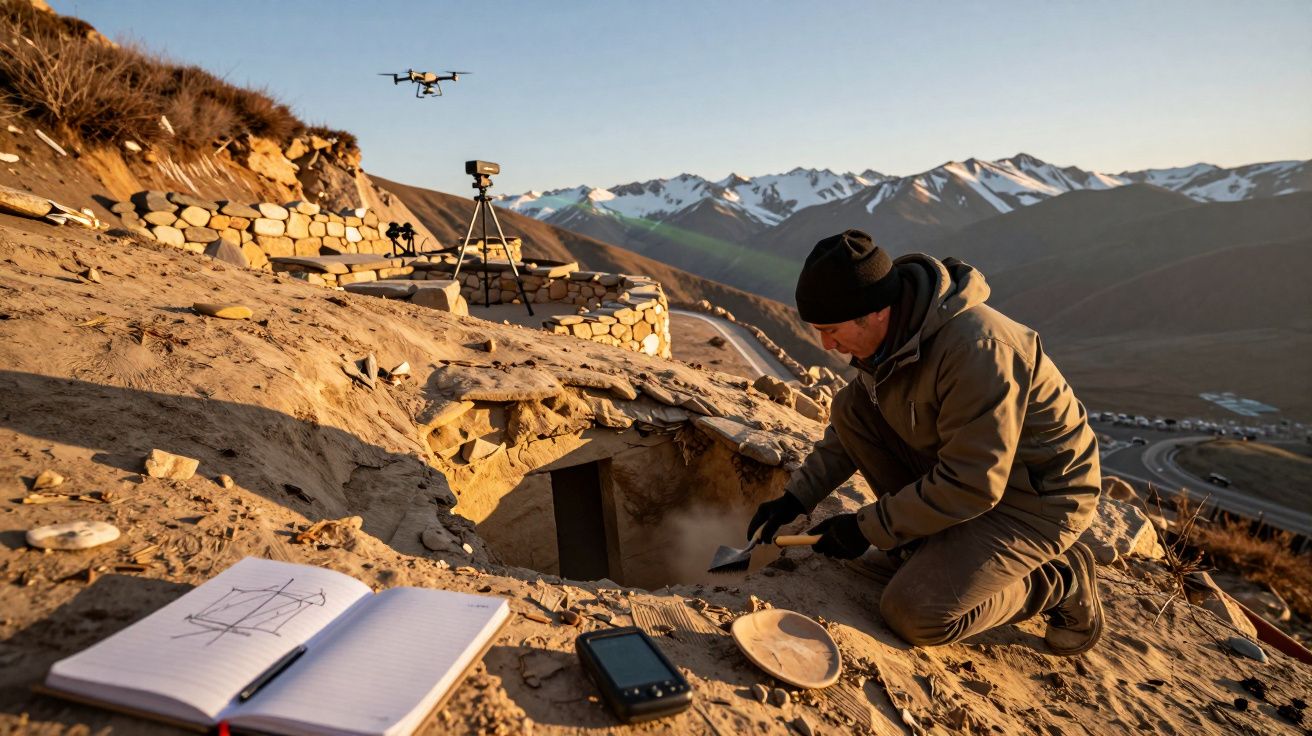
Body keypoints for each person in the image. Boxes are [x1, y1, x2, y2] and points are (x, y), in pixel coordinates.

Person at [749, 229, 1104, 654]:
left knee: (914, 612)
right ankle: (927, 544)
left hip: (1036, 499)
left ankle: (1059, 579)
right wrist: (797, 497)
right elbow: (852, 429)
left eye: (832, 330)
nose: (827, 345)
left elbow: (973, 483)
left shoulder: (976, 349)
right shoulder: (890, 341)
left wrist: (866, 527)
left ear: (876, 312)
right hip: (967, 475)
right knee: (851, 406)